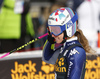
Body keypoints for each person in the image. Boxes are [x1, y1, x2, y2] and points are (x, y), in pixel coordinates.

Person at [42, 7, 95, 79]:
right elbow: (47, 58)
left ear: (68, 28)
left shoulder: (76, 51)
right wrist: (50, 42)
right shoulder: (64, 48)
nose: (52, 35)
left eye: (56, 30)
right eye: (51, 30)